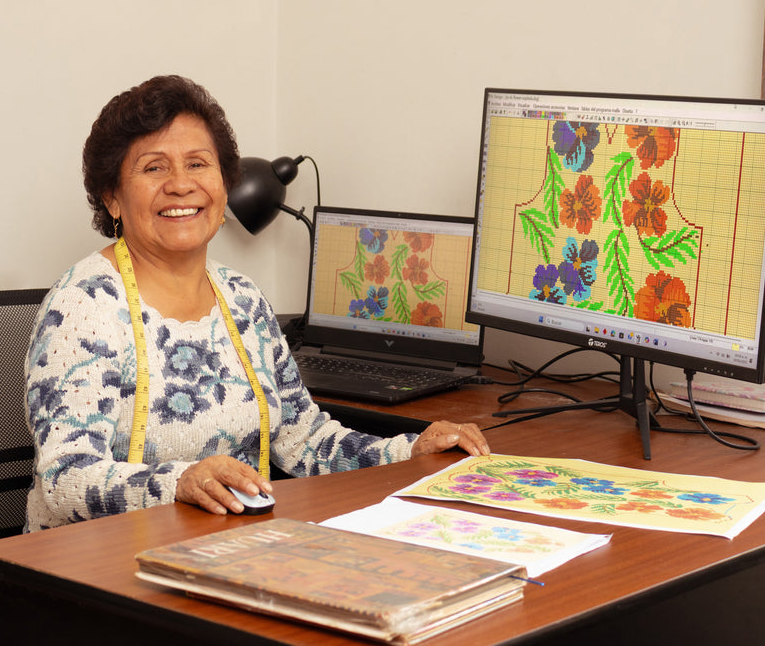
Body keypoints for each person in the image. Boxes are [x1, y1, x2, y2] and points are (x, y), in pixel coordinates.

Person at [24, 75, 490, 531]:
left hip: (223, 548)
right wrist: (181, 483)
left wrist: (409, 451)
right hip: (91, 569)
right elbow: (66, 481)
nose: (181, 185)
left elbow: (302, 439)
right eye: (154, 168)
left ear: (225, 184)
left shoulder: (241, 298)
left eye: (198, 164)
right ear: (112, 198)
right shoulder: (85, 307)